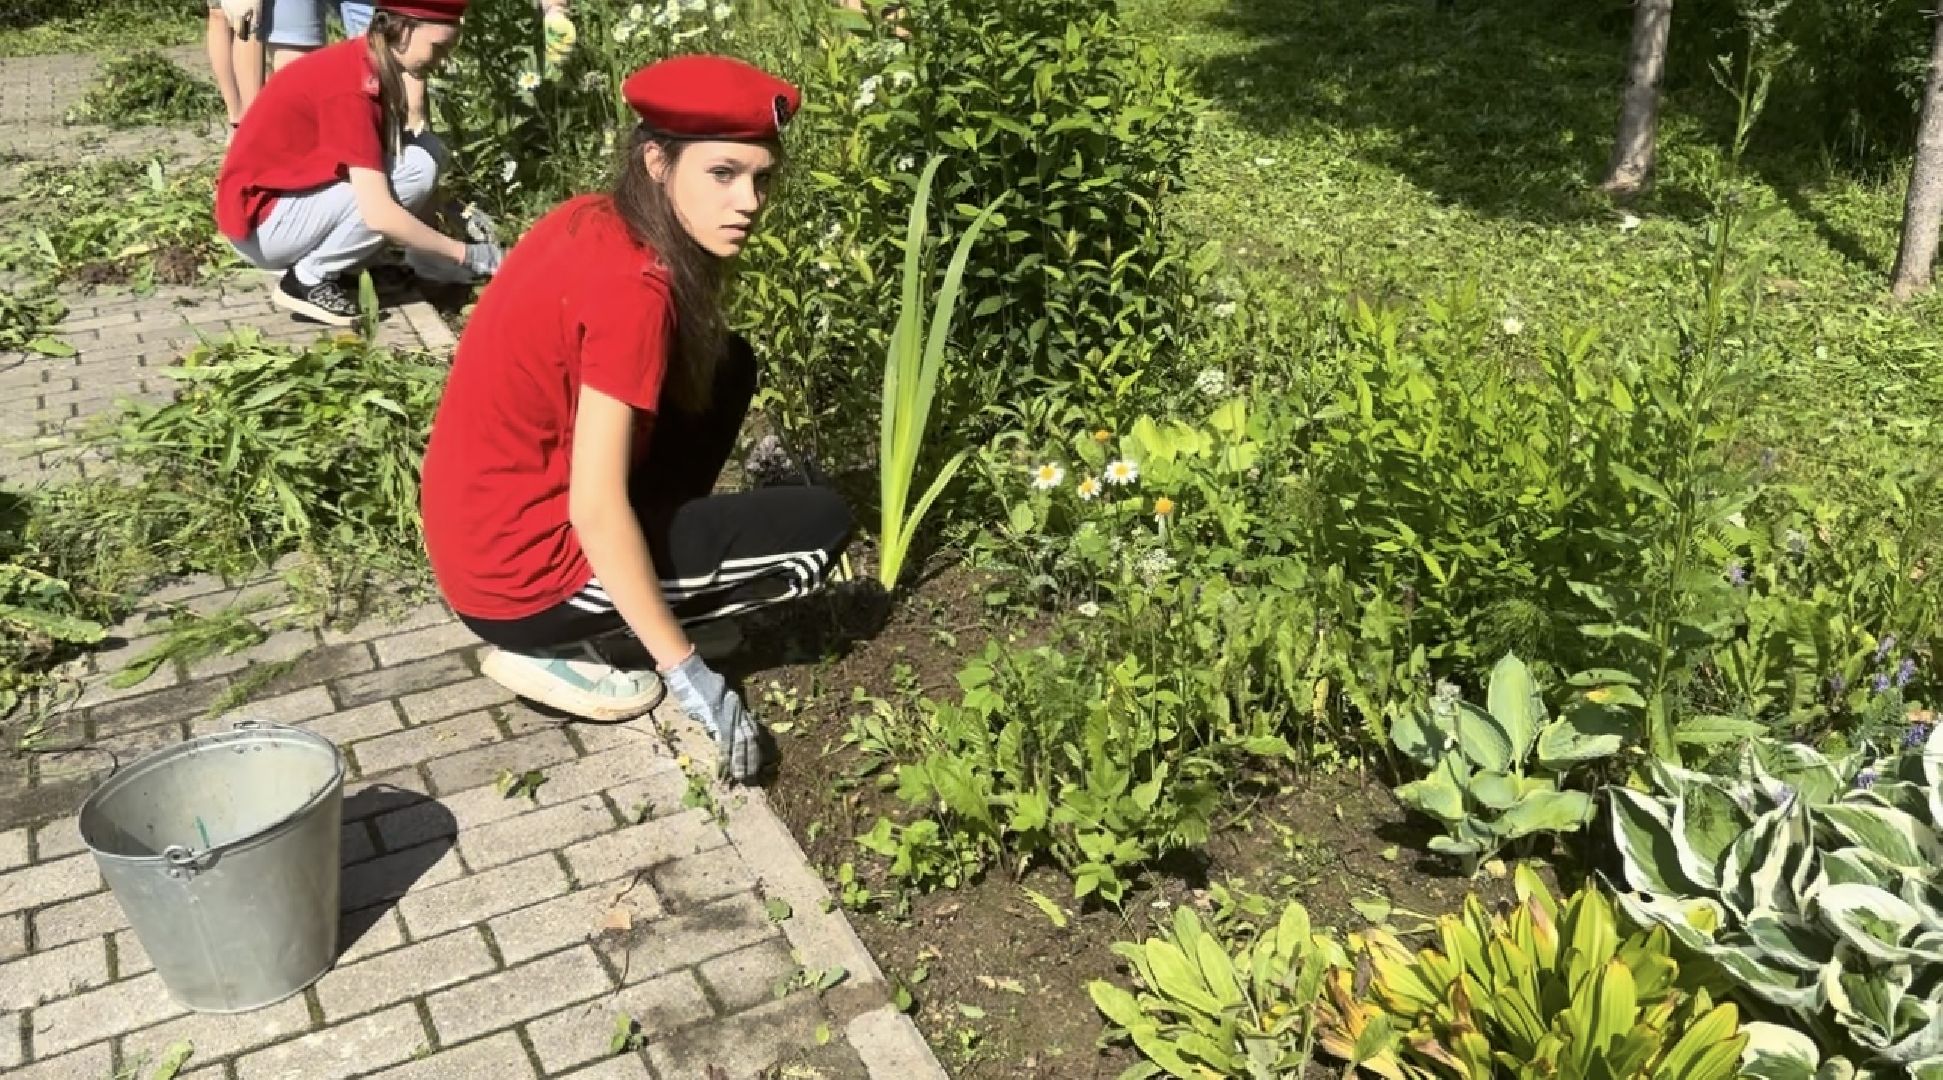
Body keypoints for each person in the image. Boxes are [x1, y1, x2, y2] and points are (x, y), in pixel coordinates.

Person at [419, 55, 852, 783]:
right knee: (819, 531)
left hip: (482, 533)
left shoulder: (591, 218)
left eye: (760, 177)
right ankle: (585, 643)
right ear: (657, 160)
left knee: (723, 364)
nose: (747, 200)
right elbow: (592, 505)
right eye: (722, 174)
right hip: (525, 581)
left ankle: (636, 596)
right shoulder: (636, 289)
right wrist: (688, 675)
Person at [214, 0, 500, 326]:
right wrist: (467, 255)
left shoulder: (365, 61)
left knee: (423, 152)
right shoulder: (351, 89)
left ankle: (347, 268)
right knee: (416, 167)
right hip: (262, 225)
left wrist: (436, 244)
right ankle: (307, 280)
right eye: (438, 47)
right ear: (403, 31)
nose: (442, 60)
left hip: (278, 206)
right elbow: (379, 214)